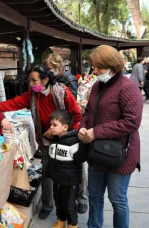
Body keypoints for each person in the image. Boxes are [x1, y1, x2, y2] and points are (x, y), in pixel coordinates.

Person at [0, 64, 82, 220]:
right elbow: (12, 103)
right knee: (47, 171)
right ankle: (47, 204)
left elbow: (76, 116)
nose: (31, 84)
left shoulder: (63, 93)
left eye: (34, 80)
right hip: (47, 140)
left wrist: (62, 132)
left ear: (46, 79)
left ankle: (81, 198)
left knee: (74, 169)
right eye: (29, 81)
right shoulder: (32, 96)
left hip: (67, 140)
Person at [78, 45, 143, 228]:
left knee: (117, 199)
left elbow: (131, 122)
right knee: (95, 195)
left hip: (120, 155)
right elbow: (89, 113)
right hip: (97, 153)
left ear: (112, 66)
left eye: (99, 67)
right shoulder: (97, 86)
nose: (95, 71)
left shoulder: (128, 87)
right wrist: (83, 128)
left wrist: (96, 132)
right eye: (94, 66)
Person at [44, 53, 88, 214]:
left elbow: (72, 108)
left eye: (50, 69)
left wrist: (65, 128)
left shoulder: (69, 81)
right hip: (55, 128)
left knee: (76, 163)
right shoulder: (50, 82)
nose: (49, 72)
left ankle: (82, 197)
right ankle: (50, 203)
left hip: (68, 129)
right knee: (53, 164)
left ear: (58, 68)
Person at [48, 110, 87, 228]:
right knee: (58, 202)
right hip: (57, 179)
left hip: (70, 181)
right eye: (51, 124)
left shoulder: (73, 141)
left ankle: (72, 224)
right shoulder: (54, 139)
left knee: (69, 205)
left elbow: (80, 159)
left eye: (54, 125)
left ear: (65, 127)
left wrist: (84, 144)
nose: (51, 127)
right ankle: (61, 219)